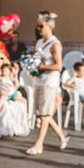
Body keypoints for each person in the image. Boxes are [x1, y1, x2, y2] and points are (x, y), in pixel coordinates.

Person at [25, 12, 68, 156]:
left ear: (49, 27)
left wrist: (41, 67)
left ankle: (39, 145)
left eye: (41, 26)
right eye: (38, 26)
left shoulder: (55, 45)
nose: (38, 29)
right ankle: (62, 136)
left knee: (44, 115)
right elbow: (37, 60)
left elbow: (58, 66)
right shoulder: (39, 43)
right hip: (39, 80)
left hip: (50, 83)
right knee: (43, 114)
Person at [0, 51, 28, 138]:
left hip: (10, 94)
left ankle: (17, 127)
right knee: (5, 106)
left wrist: (15, 74)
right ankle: (3, 130)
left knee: (20, 103)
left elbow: (16, 85)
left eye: (1, 58)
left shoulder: (8, 71)